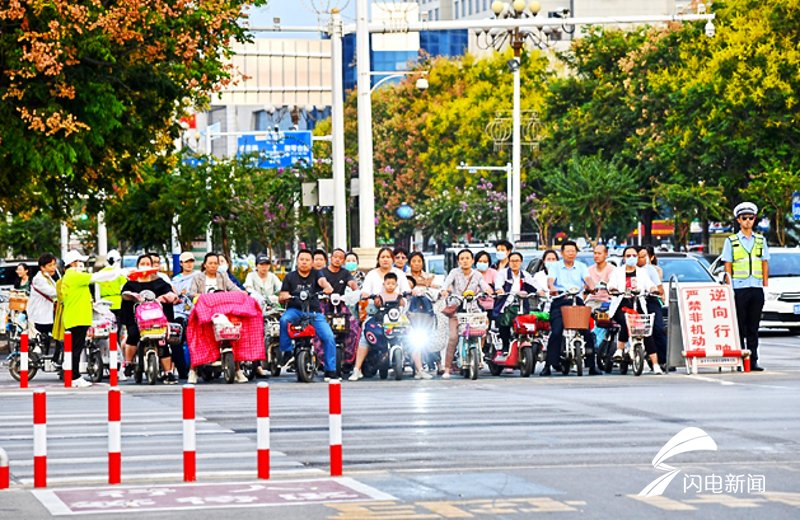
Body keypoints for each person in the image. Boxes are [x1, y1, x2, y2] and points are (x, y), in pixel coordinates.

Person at [60, 250, 126, 388]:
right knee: (76, 349)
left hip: (75, 317)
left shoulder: (69, 277)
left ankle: (72, 376)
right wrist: (116, 272)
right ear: (72, 263)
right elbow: (97, 277)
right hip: (77, 318)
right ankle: (75, 377)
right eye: (80, 262)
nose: (82, 265)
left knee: (74, 349)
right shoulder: (74, 275)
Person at [722, 201, 769, 371]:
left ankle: (753, 360)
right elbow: (728, 264)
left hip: (756, 288)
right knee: (740, 326)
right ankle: (741, 359)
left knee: (754, 327)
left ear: (754, 219)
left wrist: (765, 284)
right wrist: (729, 286)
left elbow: (764, 262)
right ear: (739, 220)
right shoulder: (731, 241)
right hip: (739, 288)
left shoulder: (760, 240)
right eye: (744, 218)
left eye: (751, 218)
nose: (748, 221)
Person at [278, 249, 337, 380]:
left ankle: (330, 370)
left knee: (328, 337)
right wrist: (286, 296)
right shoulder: (290, 277)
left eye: (307, 260)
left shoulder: (317, 274)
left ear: (312, 263)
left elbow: (323, 282)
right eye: (301, 259)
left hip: (313, 311)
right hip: (295, 311)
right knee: (284, 320)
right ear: (297, 261)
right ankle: (286, 351)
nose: (304, 262)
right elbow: (281, 296)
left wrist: (327, 287)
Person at [187, 252, 246, 383]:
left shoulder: (223, 276)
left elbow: (233, 288)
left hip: (222, 310)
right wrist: (199, 297)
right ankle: (193, 370)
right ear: (204, 265)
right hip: (204, 312)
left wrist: (243, 293)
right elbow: (191, 294)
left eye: (215, 263)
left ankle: (237, 370)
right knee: (197, 335)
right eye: (210, 263)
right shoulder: (198, 278)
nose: (213, 266)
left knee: (234, 332)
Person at [121, 254, 180, 384]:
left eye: (148, 263)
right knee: (133, 334)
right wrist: (132, 296)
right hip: (137, 320)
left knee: (162, 342)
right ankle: (129, 363)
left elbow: (169, 292)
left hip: (157, 321)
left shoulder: (159, 282)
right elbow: (125, 294)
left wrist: (169, 297)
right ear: (138, 266)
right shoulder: (131, 283)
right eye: (143, 263)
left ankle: (168, 372)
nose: (145, 266)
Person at [544, 241, 598, 376]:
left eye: (573, 251)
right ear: (562, 253)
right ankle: (548, 365)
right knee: (556, 331)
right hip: (560, 300)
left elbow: (588, 279)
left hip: (577, 300)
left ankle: (592, 366)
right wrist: (553, 288)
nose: (571, 253)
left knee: (587, 332)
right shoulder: (555, 266)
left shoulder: (581, 266)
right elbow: (550, 281)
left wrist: (592, 287)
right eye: (568, 251)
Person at [607, 246, 662, 374]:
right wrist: (614, 290)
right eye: (628, 255)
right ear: (624, 258)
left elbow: (649, 284)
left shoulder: (642, 272)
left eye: (634, 255)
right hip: (621, 304)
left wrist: (654, 289)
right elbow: (611, 284)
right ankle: (619, 350)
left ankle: (655, 365)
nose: (631, 258)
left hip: (638, 303)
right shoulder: (617, 272)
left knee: (645, 330)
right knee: (627, 322)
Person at [439, 249, 493, 379]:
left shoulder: (477, 275)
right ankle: (447, 368)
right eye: (462, 258)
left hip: (473, 308)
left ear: (472, 260)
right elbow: (445, 284)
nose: (465, 261)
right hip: (457, 308)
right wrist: (444, 291)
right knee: (453, 338)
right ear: (458, 261)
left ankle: (479, 355)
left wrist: (488, 290)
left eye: (467, 258)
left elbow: (485, 286)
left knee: (482, 329)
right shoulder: (454, 273)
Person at [493, 252, 537, 354]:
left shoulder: (525, 275)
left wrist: (541, 292)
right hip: (505, 305)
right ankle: (505, 346)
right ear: (509, 261)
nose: (515, 263)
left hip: (521, 306)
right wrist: (500, 290)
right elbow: (498, 286)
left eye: (517, 261)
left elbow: (536, 286)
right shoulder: (503, 274)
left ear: (521, 262)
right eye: (512, 261)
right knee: (504, 323)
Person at [637, 246, 667, 366]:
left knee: (657, 329)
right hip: (633, 300)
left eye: (645, 256)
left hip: (651, 300)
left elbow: (659, 289)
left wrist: (655, 291)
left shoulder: (651, 270)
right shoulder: (624, 270)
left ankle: (663, 359)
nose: (642, 259)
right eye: (639, 256)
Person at [170, 251, 198, 380]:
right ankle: (182, 371)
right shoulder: (175, 280)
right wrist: (177, 296)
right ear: (181, 263)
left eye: (191, 261)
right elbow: (172, 298)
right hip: (180, 312)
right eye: (186, 261)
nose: (189, 264)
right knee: (176, 339)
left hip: (197, 312)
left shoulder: (199, 277)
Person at [27, 253, 58, 359]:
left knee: (53, 338)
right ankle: (52, 359)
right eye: (50, 265)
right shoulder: (39, 279)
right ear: (42, 267)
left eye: (54, 264)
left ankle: (51, 359)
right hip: (40, 315)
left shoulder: (48, 278)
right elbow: (53, 292)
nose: (53, 267)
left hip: (47, 314)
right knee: (58, 336)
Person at [97, 250, 127, 344]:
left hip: (104, 305)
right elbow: (124, 289)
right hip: (118, 304)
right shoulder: (119, 274)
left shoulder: (100, 273)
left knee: (106, 328)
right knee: (117, 328)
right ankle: (116, 346)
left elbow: (97, 292)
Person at [586, 244, 614, 310]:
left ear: (606, 254)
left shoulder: (613, 269)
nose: (596, 256)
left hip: (608, 301)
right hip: (592, 301)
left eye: (599, 253)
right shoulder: (588, 270)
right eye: (595, 253)